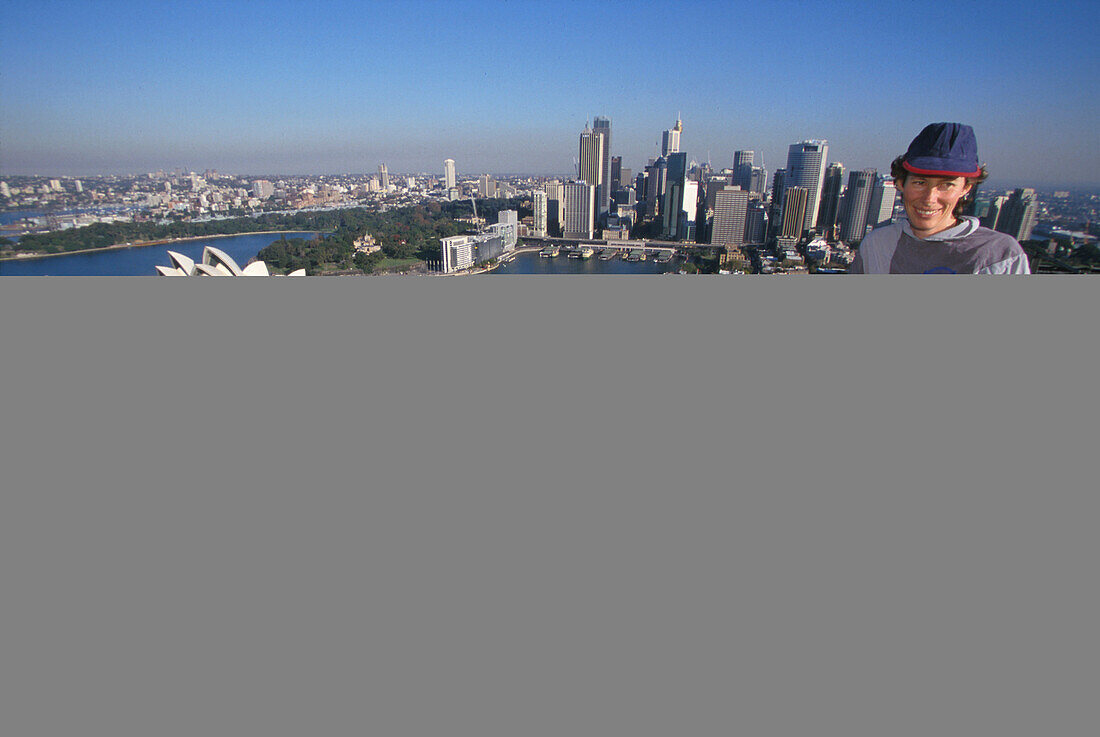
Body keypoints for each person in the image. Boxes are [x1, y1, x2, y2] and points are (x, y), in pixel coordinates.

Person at [849, 122, 1030, 273]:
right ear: (901, 183)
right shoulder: (877, 245)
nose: (929, 198)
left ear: (966, 188)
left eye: (946, 185)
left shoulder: (999, 255)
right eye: (920, 182)